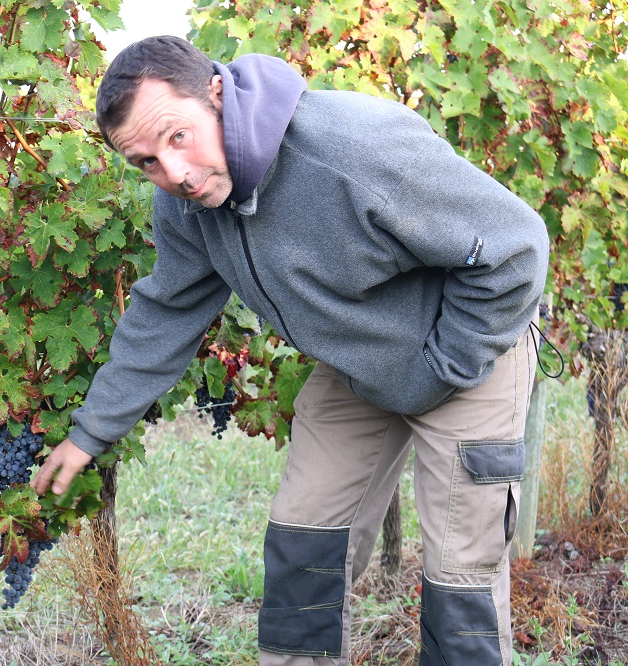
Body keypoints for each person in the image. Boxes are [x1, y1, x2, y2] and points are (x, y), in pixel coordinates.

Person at [30, 35, 549, 666]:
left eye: (177, 137)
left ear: (216, 93)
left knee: (457, 575)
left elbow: (516, 247)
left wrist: (446, 366)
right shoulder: (189, 204)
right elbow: (166, 312)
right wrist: (90, 433)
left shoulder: (352, 147)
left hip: (470, 356)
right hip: (360, 365)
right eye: (146, 162)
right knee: (304, 550)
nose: (175, 175)